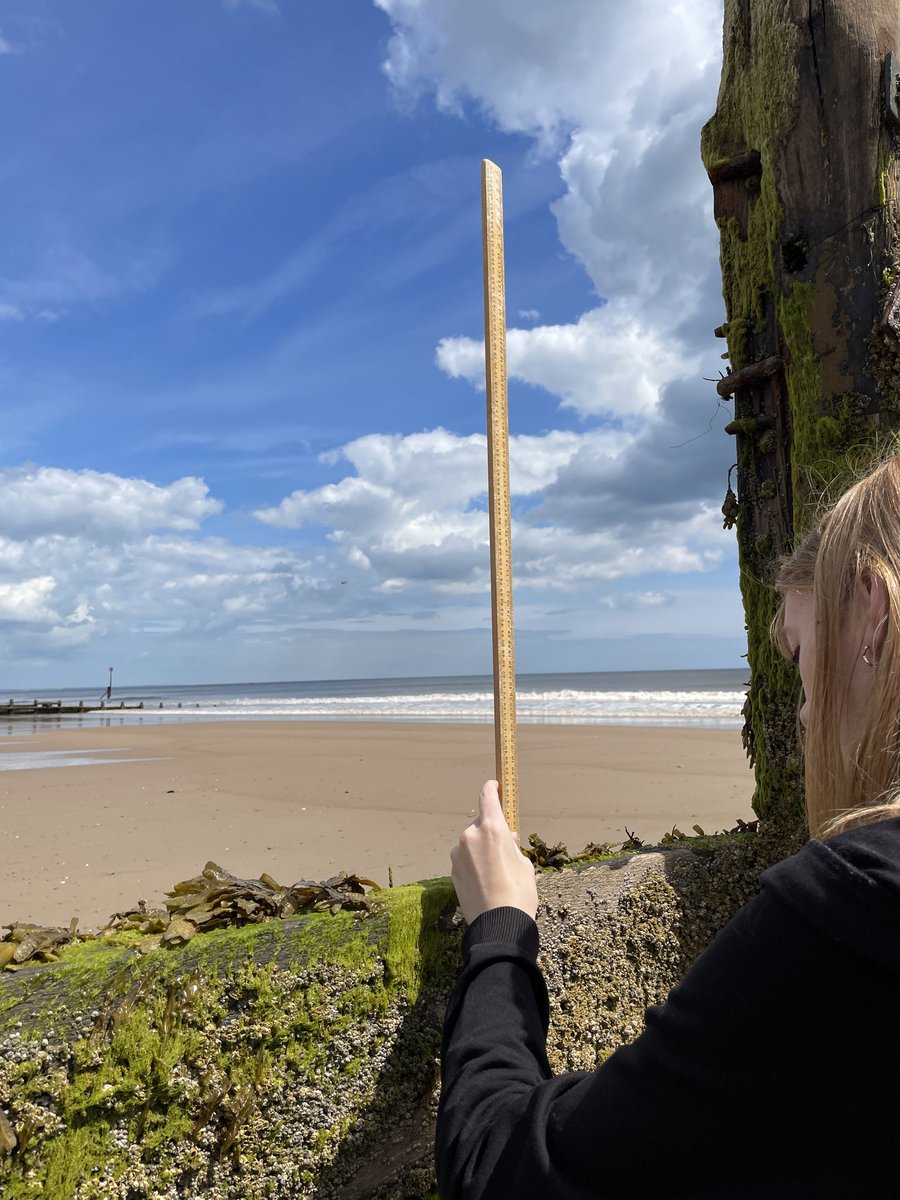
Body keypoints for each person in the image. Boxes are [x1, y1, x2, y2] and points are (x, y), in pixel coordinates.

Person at [436, 454, 900, 1199]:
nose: (806, 710)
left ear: (873, 608)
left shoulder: (851, 904)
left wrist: (498, 931)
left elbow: (504, 1170)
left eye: (799, 655)